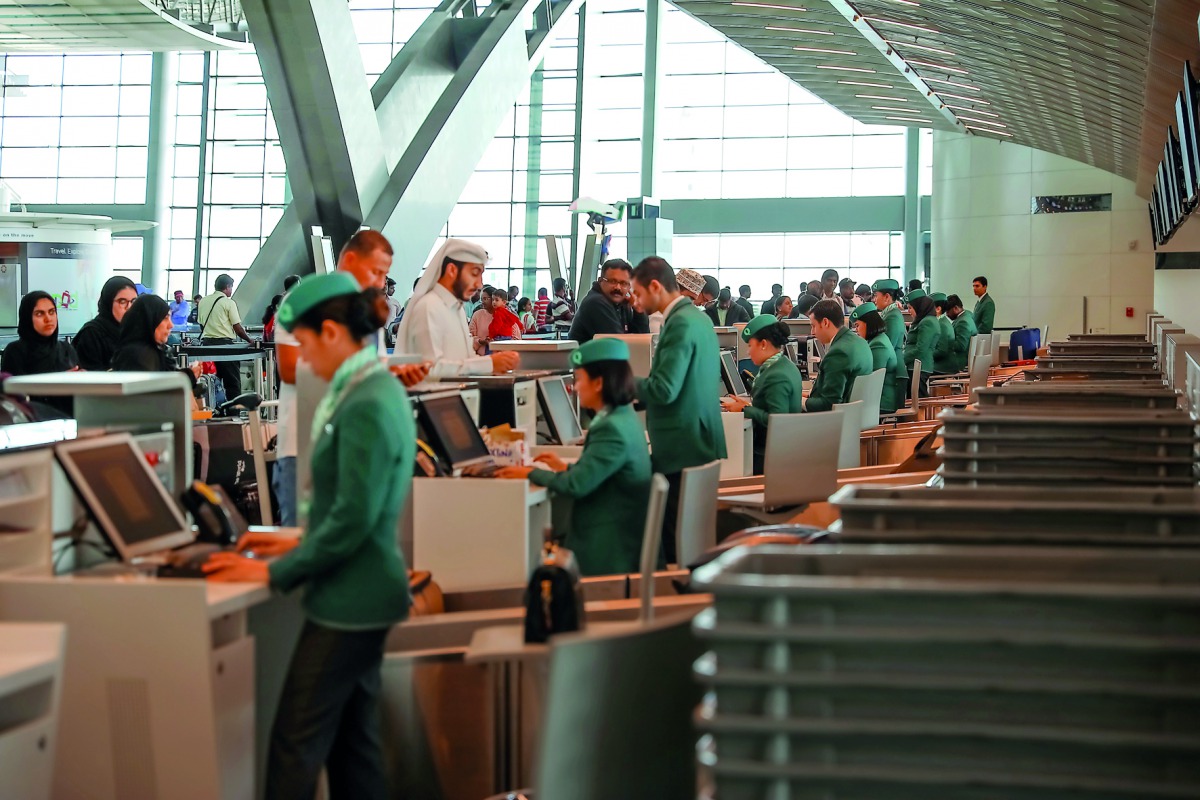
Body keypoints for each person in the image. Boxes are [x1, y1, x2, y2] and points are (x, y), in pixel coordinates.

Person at [204, 273, 415, 800]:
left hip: (352, 597)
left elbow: (351, 521)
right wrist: (289, 541)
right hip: (363, 591)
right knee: (353, 747)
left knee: (295, 743)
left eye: (300, 342)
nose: (297, 362)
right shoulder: (369, 388)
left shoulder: (366, 400)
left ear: (329, 332)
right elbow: (347, 511)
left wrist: (269, 571)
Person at [497, 338, 651, 575]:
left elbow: (577, 485)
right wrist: (563, 467)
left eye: (579, 379)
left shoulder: (610, 429)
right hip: (621, 532)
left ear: (598, 383)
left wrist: (529, 473)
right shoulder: (623, 417)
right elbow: (593, 474)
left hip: (607, 546)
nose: (576, 388)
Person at [630, 257, 726, 565]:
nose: (636, 300)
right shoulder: (699, 319)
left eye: (638, 292)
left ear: (655, 286)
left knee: (673, 543)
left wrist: (617, 380)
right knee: (690, 537)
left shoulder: (679, 322)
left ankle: (676, 598)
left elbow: (664, 389)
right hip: (699, 439)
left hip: (680, 446)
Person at [396, 238, 521, 378]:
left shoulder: (457, 310)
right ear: (452, 270)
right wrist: (489, 364)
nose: (480, 285)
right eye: (474, 273)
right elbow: (428, 369)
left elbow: (464, 361)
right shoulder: (429, 306)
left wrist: (499, 361)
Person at [720, 315, 804, 474]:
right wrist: (746, 405)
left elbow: (777, 419)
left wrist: (745, 410)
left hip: (767, 455)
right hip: (783, 449)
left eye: (750, 345)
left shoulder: (776, 376)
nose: (748, 352)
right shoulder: (785, 365)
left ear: (763, 344)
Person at [2, 291, 80, 416]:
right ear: (27, 318)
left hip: (69, 421)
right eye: (39, 314)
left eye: (51, 312)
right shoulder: (15, 351)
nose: (48, 319)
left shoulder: (66, 349)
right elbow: (15, 398)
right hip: (33, 422)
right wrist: (59, 382)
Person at [805, 299, 873, 413]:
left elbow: (829, 404)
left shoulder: (838, 352)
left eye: (813, 326)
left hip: (833, 421)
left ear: (825, 322)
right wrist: (809, 393)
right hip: (857, 413)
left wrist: (798, 400)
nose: (812, 332)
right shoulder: (859, 342)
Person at [112, 294, 201, 378]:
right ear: (149, 320)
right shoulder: (140, 356)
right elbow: (157, 391)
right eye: (166, 318)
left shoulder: (152, 352)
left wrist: (189, 375)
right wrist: (188, 377)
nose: (171, 325)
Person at [198, 273, 253, 402]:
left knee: (211, 380)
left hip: (206, 346)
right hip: (225, 347)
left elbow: (201, 324)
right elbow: (237, 328)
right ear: (227, 287)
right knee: (232, 382)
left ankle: (214, 409)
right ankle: (234, 411)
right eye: (231, 287)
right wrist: (250, 340)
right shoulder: (228, 303)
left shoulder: (203, 301)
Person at [569, 258, 649, 343]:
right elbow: (618, 344)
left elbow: (641, 342)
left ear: (629, 287)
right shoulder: (596, 302)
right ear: (600, 281)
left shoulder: (622, 304)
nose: (618, 287)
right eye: (612, 281)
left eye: (623, 283)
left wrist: (639, 311)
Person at [73, 276, 138, 371]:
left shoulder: (135, 332)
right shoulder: (92, 333)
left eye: (133, 301)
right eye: (122, 302)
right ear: (108, 302)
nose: (129, 307)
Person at [848, 302, 899, 414]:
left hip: (883, 402)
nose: (856, 330)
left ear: (868, 324)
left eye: (857, 325)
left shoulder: (878, 345)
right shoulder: (879, 339)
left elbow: (870, 379)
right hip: (879, 398)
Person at [872, 278, 909, 403]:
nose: (874, 300)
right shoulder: (889, 314)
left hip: (895, 374)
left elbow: (888, 347)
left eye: (876, 296)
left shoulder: (892, 316)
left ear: (887, 297)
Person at [903, 289, 939, 395]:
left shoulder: (927, 322)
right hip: (916, 365)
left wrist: (902, 359)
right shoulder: (924, 320)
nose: (909, 311)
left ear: (920, 307)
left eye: (910, 308)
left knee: (918, 399)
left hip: (919, 366)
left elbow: (921, 349)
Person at [940, 294, 979, 374]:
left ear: (956, 308)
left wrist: (944, 342)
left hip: (958, 362)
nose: (947, 314)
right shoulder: (968, 315)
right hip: (962, 359)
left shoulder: (963, 322)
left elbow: (961, 346)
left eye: (948, 311)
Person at [930, 292, 955, 373]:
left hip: (943, 366)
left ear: (938, 309)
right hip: (941, 363)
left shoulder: (942, 325)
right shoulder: (942, 321)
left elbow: (941, 351)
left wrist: (925, 354)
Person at [468, 286, 495, 354]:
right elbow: (469, 337)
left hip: (502, 357)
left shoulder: (506, 315)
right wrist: (480, 341)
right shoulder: (477, 315)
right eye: (481, 299)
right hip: (480, 357)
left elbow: (515, 339)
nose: (482, 302)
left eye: (485, 299)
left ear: (494, 299)